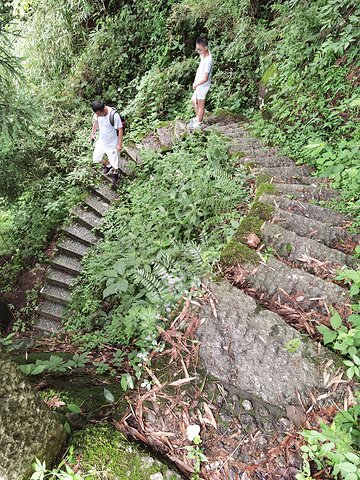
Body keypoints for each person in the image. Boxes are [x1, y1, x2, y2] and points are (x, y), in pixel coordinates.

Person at [90, 100, 123, 184]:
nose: (97, 116)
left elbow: (120, 130)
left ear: (104, 109)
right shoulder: (98, 113)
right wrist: (92, 134)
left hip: (112, 144)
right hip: (102, 140)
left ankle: (115, 172)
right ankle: (108, 165)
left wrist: (119, 144)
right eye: (96, 114)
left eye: (98, 114)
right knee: (96, 158)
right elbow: (95, 123)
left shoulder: (114, 116)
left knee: (115, 163)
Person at [189, 36, 213, 130]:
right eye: (197, 49)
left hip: (203, 85)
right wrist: (195, 81)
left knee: (200, 104)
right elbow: (199, 70)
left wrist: (197, 84)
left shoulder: (208, 61)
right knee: (193, 101)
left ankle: (199, 122)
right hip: (198, 83)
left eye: (199, 49)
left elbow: (206, 78)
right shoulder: (203, 55)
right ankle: (198, 117)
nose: (198, 51)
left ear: (205, 48)